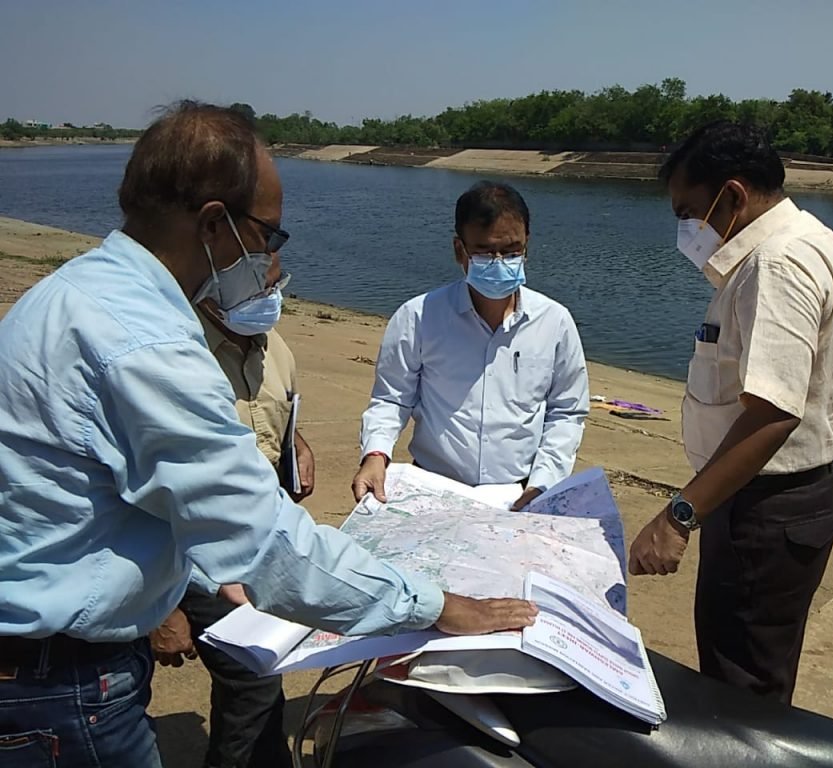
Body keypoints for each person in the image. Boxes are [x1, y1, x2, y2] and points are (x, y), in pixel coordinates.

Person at [0, 102, 535, 766]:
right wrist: (436, 605)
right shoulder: (146, 344)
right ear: (214, 225)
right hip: (61, 685)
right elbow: (267, 544)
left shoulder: (78, 292)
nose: (271, 258)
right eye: (269, 236)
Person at [628, 121, 833, 704]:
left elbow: (772, 415)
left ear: (732, 196)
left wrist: (679, 516)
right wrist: (818, 380)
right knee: (757, 669)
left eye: (690, 212)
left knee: (740, 689)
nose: (688, 230)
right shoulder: (813, 236)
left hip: (765, 509)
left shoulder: (776, 263)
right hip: (778, 498)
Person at [151, 251, 309, 768]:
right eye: (260, 287)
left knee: (264, 672)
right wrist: (162, 606)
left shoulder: (273, 346)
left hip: (256, 548)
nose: (272, 298)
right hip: (190, 559)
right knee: (250, 676)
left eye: (276, 284)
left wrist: (296, 444)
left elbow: (274, 415)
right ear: (216, 288)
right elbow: (144, 486)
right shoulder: (175, 358)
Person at [352, 181, 589, 509]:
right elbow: (391, 398)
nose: (499, 262)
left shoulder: (554, 322)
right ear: (459, 250)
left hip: (520, 494)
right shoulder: (419, 317)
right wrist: (375, 455)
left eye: (511, 251)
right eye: (484, 252)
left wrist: (543, 483)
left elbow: (566, 410)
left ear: (527, 246)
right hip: (433, 489)